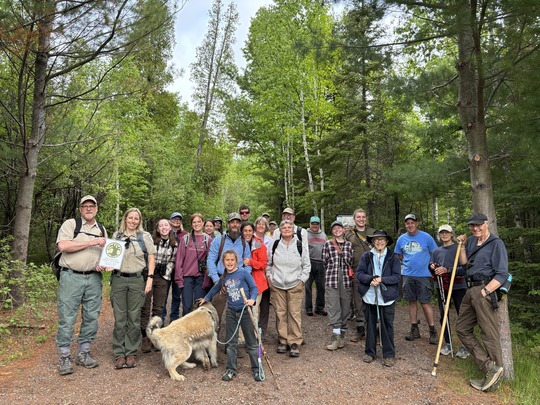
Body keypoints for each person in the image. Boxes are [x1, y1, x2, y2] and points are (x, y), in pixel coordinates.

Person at [55, 195, 108, 375]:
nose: (88, 209)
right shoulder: (71, 225)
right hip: (71, 277)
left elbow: (105, 253)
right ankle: (64, 356)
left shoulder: (101, 229)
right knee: (67, 316)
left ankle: (84, 353)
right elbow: (63, 246)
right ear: (80, 209)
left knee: (91, 316)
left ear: (96, 209)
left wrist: (103, 263)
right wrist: (91, 242)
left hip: (93, 278)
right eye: (85, 206)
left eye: (91, 206)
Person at [456, 213, 508, 392]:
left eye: (479, 225)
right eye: (472, 226)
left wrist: (486, 291)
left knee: (489, 333)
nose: (475, 228)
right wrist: (462, 246)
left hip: (485, 289)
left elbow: (502, 274)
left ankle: (496, 376)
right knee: (462, 328)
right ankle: (489, 368)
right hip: (470, 289)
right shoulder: (470, 241)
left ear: (487, 224)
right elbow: (465, 265)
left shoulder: (496, 244)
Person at [198, 250, 262, 382]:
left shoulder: (243, 272)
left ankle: (256, 368)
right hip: (232, 311)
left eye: (232, 260)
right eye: (227, 260)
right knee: (231, 343)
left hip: (245, 311)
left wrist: (252, 299)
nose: (230, 262)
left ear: (236, 261)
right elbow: (216, 288)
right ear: (223, 262)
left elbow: (254, 288)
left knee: (251, 342)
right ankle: (231, 368)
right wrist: (206, 298)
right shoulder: (224, 276)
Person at [111, 208, 156, 369]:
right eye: (130, 218)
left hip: (137, 280)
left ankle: (130, 352)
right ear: (125, 219)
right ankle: (119, 353)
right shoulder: (117, 236)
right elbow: (111, 256)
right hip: (118, 279)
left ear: (139, 221)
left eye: (136, 218)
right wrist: (108, 265)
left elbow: (151, 257)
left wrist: (150, 278)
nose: (133, 221)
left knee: (134, 318)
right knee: (120, 318)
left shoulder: (144, 237)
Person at [357, 230, 401, 367]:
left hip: (387, 297)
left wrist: (382, 280)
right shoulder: (366, 256)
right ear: (373, 242)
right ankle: (370, 352)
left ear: (387, 241)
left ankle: (389, 355)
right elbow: (359, 273)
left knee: (387, 324)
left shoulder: (393, 257)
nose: (379, 242)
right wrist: (370, 279)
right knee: (370, 324)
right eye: (376, 239)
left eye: (382, 239)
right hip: (370, 296)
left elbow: (397, 277)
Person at [266, 220, 311, 357]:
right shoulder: (275, 245)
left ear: (293, 229)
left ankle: (295, 341)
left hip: (294, 284)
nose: (286, 229)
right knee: (280, 313)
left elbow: (306, 265)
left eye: (289, 227)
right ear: (279, 230)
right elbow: (269, 264)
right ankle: (283, 339)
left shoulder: (299, 245)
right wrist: (270, 277)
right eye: (283, 228)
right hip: (278, 284)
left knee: (294, 313)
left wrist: (301, 280)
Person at [394, 213, 438, 344]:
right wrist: (408, 263)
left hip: (423, 275)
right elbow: (399, 255)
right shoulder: (401, 239)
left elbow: (434, 252)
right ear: (405, 225)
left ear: (416, 223)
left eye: (412, 222)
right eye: (407, 223)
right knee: (411, 302)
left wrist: (431, 265)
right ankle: (414, 329)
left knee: (425, 303)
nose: (410, 225)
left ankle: (432, 331)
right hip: (407, 275)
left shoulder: (426, 237)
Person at [429, 224, 469, 359]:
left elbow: (464, 270)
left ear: (451, 234)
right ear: (439, 235)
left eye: (447, 232)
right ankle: (448, 343)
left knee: (462, 314)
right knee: (443, 314)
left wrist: (448, 269)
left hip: (458, 286)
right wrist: (433, 267)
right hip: (441, 286)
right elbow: (431, 268)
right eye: (442, 233)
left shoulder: (459, 248)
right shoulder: (436, 251)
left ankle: (465, 346)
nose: (444, 235)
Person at [207, 212, 252, 324]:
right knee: (216, 313)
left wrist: (245, 278)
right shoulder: (219, 240)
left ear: (240, 224)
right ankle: (215, 338)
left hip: (238, 280)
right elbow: (211, 259)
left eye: (237, 222)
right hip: (221, 279)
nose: (235, 225)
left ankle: (236, 338)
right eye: (232, 222)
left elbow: (248, 262)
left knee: (239, 312)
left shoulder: (243, 243)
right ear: (228, 224)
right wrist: (216, 279)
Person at [140, 219, 177, 353]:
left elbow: (172, 261)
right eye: (161, 225)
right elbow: (145, 257)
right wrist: (150, 271)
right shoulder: (151, 241)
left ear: (170, 227)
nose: (163, 227)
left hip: (162, 278)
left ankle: (155, 336)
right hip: (148, 276)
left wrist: (165, 273)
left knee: (158, 308)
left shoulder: (174, 244)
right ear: (157, 228)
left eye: (166, 225)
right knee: (145, 307)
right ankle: (144, 336)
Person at [344, 208, 376, 342]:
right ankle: (360, 328)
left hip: (373, 271)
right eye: (358, 217)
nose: (361, 219)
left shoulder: (373, 232)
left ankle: (374, 328)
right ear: (354, 219)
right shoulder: (349, 234)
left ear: (366, 218)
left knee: (373, 298)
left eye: (363, 217)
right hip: (356, 270)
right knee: (358, 299)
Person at [323, 221, 353, 350]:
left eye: (339, 228)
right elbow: (324, 262)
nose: (337, 230)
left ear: (343, 229)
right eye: (334, 229)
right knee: (333, 307)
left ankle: (342, 335)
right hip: (332, 279)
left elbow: (351, 261)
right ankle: (335, 337)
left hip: (346, 280)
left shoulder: (349, 245)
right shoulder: (328, 244)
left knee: (345, 308)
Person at [175, 213, 212, 317]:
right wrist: (179, 279)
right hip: (187, 277)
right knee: (187, 306)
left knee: (198, 306)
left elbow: (210, 261)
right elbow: (179, 260)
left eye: (199, 221)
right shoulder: (185, 239)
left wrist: (207, 280)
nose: (197, 224)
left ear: (203, 223)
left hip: (200, 278)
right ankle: (185, 330)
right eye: (194, 222)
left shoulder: (207, 239)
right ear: (191, 224)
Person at [241, 222, 269, 334]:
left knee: (254, 310)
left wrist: (251, 262)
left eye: (249, 231)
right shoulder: (238, 243)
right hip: (242, 282)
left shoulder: (259, 244)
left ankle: (254, 336)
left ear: (253, 232)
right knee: (242, 309)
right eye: (245, 231)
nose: (247, 233)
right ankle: (241, 337)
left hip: (256, 282)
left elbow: (263, 264)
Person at [162, 211, 187, 324]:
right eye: (174, 219)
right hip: (166, 269)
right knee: (163, 295)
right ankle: (161, 318)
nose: (176, 221)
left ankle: (174, 319)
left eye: (178, 219)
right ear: (170, 220)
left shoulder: (185, 235)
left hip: (179, 270)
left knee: (177, 296)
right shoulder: (165, 232)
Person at [254, 216, 273, 336]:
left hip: (266, 274)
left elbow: (271, 257)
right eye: (259, 224)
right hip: (255, 275)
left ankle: (262, 331)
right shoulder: (251, 238)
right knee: (254, 305)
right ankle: (253, 331)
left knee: (265, 306)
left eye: (263, 224)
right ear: (255, 225)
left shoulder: (270, 241)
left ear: (266, 227)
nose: (261, 226)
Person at [305, 216, 328, 316]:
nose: (315, 226)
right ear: (310, 224)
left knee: (321, 287)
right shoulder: (305, 234)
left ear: (319, 225)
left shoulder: (323, 235)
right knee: (308, 287)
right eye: (313, 223)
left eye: (316, 224)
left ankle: (320, 308)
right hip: (310, 262)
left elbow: (327, 248)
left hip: (321, 263)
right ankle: (308, 308)